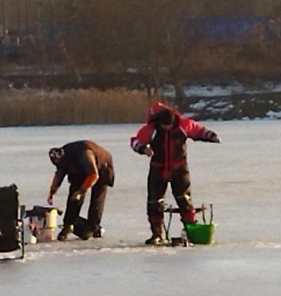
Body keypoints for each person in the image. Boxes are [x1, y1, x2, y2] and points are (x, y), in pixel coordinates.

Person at [130, 101, 220, 245]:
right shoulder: (151, 129)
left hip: (179, 168)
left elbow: (198, 130)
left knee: (184, 199)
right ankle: (157, 234)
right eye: (165, 126)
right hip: (158, 168)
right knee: (154, 201)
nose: (168, 128)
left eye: (170, 126)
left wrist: (210, 136)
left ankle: (191, 230)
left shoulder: (183, 124)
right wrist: (142, 148)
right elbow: (135, 141)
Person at [47, 140, 115, 241]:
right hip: (79, 170)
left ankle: (92, 228)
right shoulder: (62, 158)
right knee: (73, 196)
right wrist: (52, 192)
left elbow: (93, 175)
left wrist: (81, 191)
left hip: (101, 167)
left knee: (97, 199)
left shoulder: (84, 154)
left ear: (65, 157)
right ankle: (68, 226)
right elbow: (59, 174)